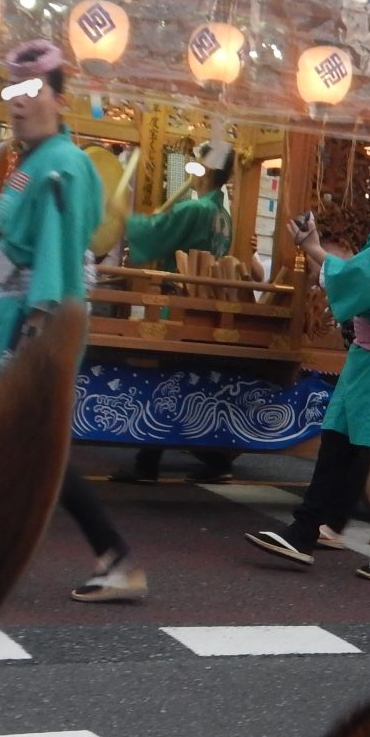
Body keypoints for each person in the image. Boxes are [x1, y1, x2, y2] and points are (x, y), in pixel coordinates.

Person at [0, 40, 148, 604]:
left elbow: (56, 258)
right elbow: (11, 256)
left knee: (25, 446)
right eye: (10, 92)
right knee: (24, 450)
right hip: (18, 313)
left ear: (59, 100)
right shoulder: (27, 166)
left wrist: (30, 336)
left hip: (43, 320)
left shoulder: (64, 165)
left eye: (31, 91)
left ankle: (111, 558)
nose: (16, 103)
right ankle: (106, 557)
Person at [245, 132, 370, 581]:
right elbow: (368, 272)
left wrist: (317, 251)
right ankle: (304, 529)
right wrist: (320, 252)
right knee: (339, 439)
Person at [111, 141, 241, 485]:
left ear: (208, 169)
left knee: (164, 381)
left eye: (198, 164)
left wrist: (127, 216)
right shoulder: (223, 216)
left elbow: (151, 236)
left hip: (180, 305)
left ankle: (147, 462)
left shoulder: (195, 211)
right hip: (206, 306)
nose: (193, 172)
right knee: (187, 383)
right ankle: (214, 459)